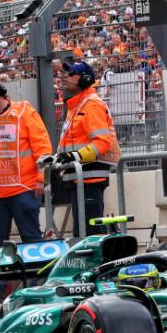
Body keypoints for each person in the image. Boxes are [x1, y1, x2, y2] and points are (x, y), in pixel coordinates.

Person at [0, 76, 52, 248]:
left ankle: (36, 275)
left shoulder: (24, 112)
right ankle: (2, 276)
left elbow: (43, 148)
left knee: (31, 239)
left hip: (23, 190)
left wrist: (41, 179)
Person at [55, 59, 120, 236]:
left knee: (89, 235)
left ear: (84, 79)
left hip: (90, 179)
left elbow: (102, 142)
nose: (66, 77)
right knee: (82, 234)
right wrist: (56, 158)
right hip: (79, 178)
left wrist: (75, 156)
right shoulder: (76, 106)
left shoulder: (91, 104)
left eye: (71, 74)